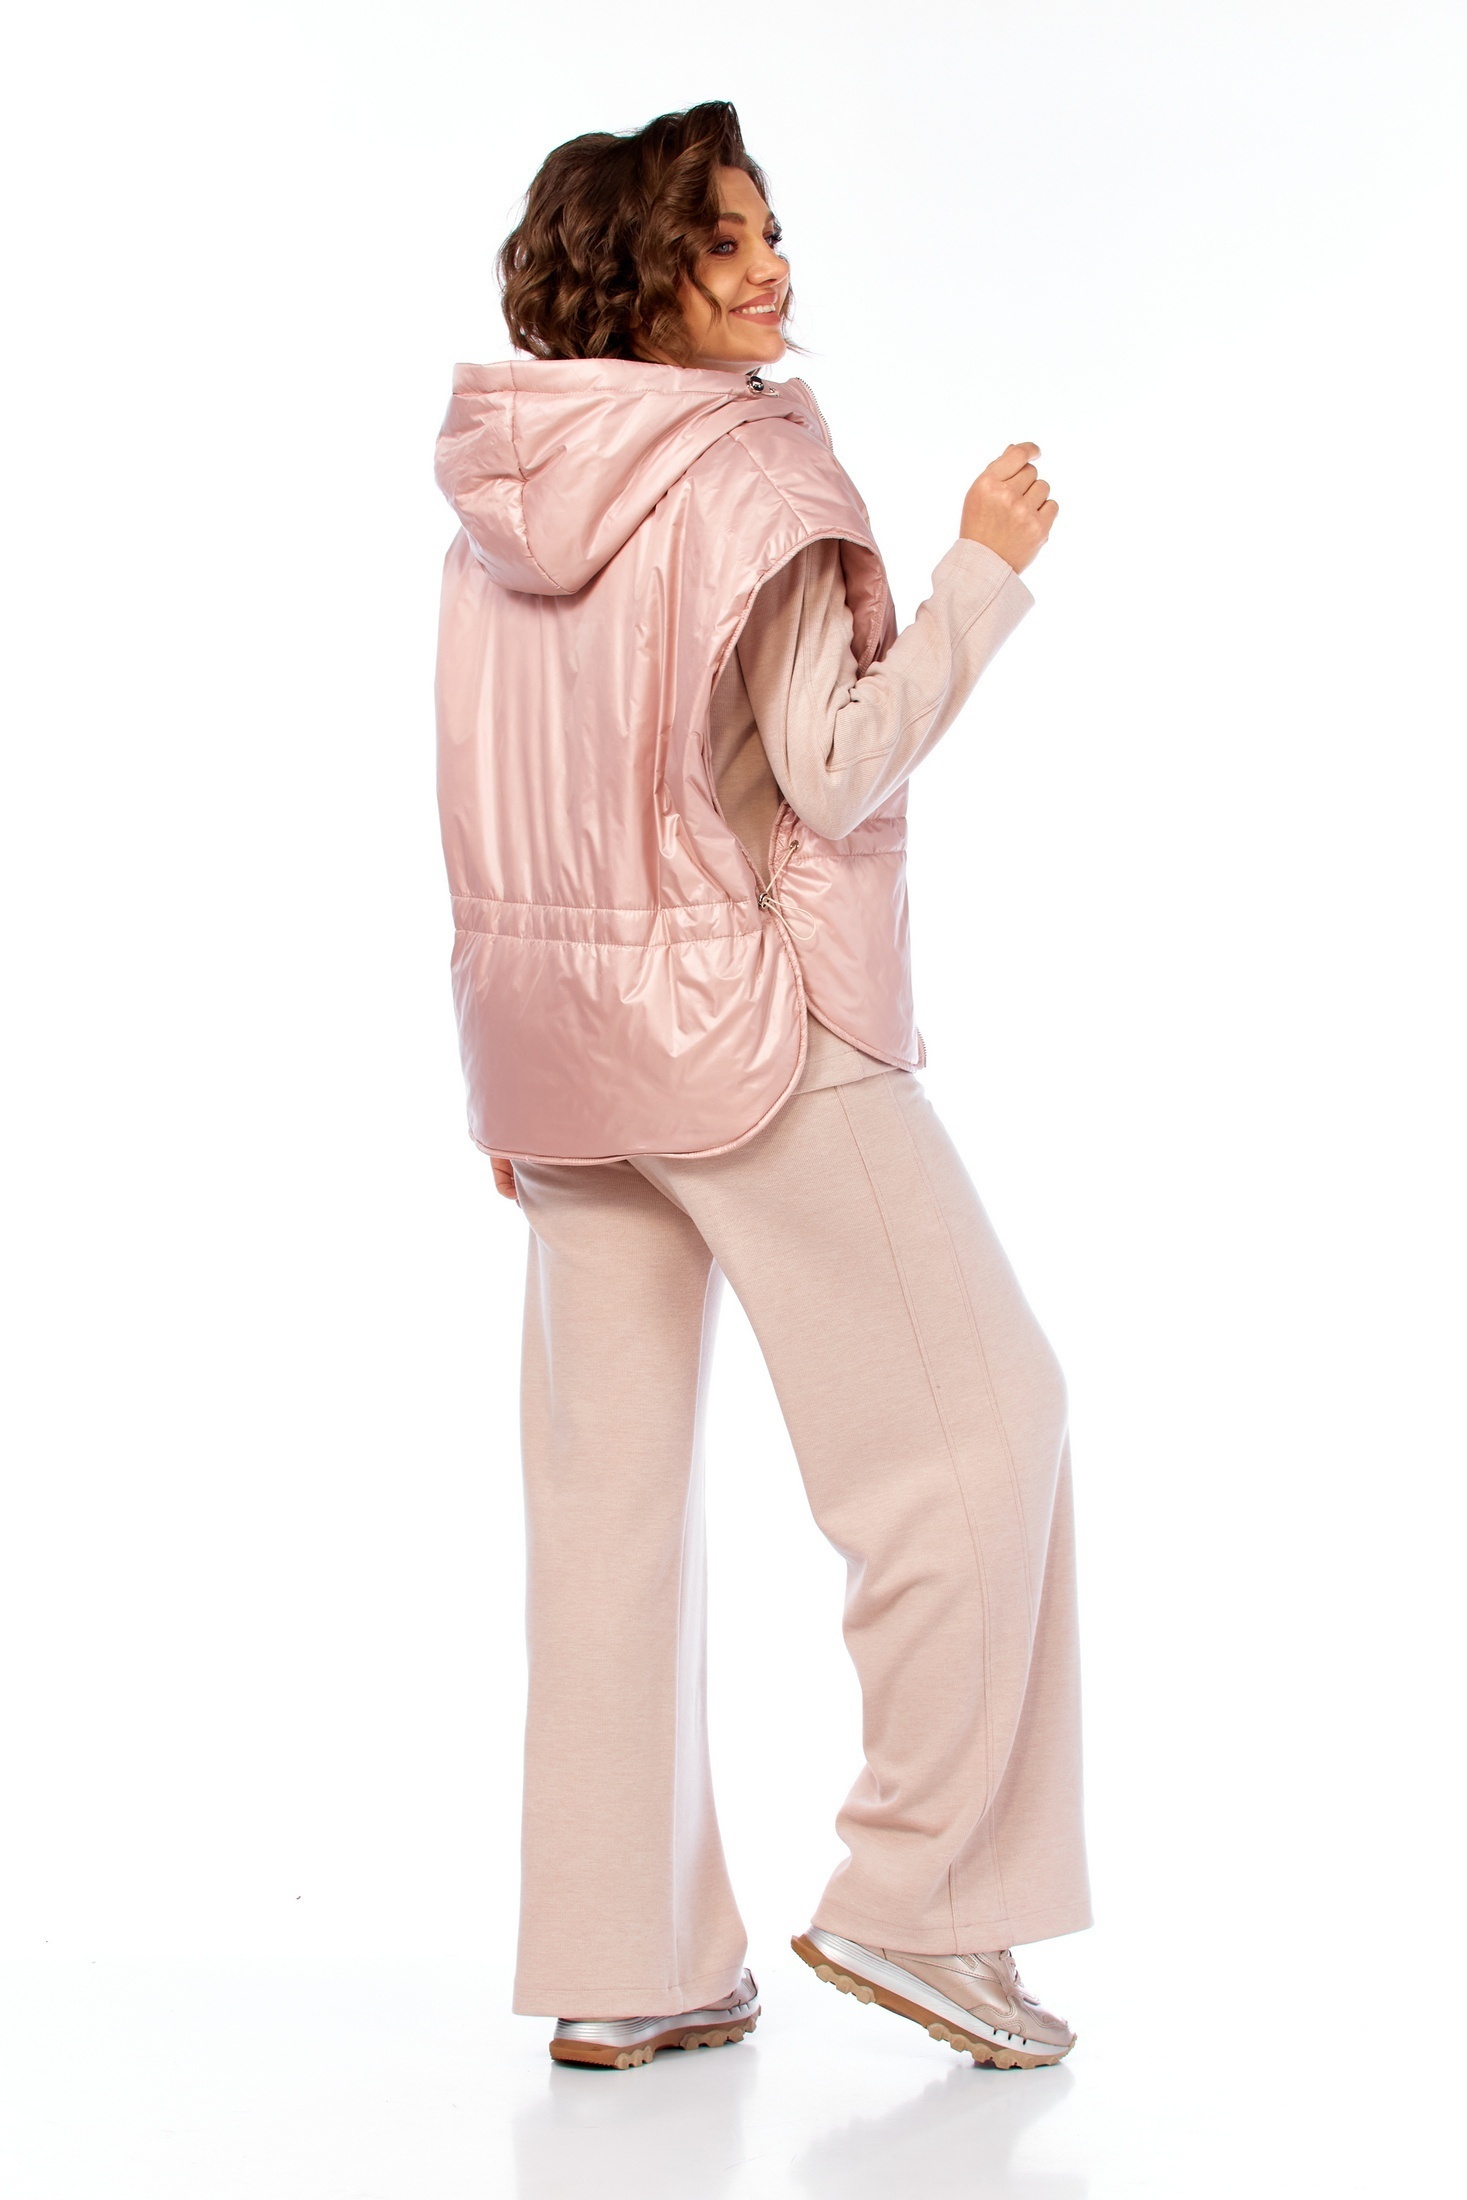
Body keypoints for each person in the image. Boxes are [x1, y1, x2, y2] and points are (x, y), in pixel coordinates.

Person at [433, 101, 1090, 2074]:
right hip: (756, 1034)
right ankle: (921, 1899)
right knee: (984, 1428)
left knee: (605, 1517)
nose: (770, 265)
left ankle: (623, 1961)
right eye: (722, 240)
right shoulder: (749, 471)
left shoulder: (503, 491)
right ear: (640, 276)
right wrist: (977, 576)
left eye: (768, 228)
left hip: (567, 1062)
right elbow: (832, 764)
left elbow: (485, 794)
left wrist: (509, 1078)